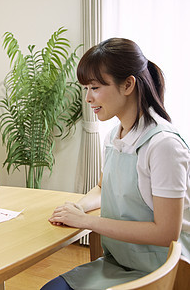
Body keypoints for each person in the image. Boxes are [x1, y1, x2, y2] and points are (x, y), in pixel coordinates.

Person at [43, 38, 189, 289]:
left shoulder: (163, 145)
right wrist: (76, 208)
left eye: (95, 87)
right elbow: (102, 188)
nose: (88, 98)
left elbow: (166, 234)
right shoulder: (115, 136)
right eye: (86, 88)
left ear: (128, 84)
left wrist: (87, 221)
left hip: (162, 268)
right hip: (122, 260)